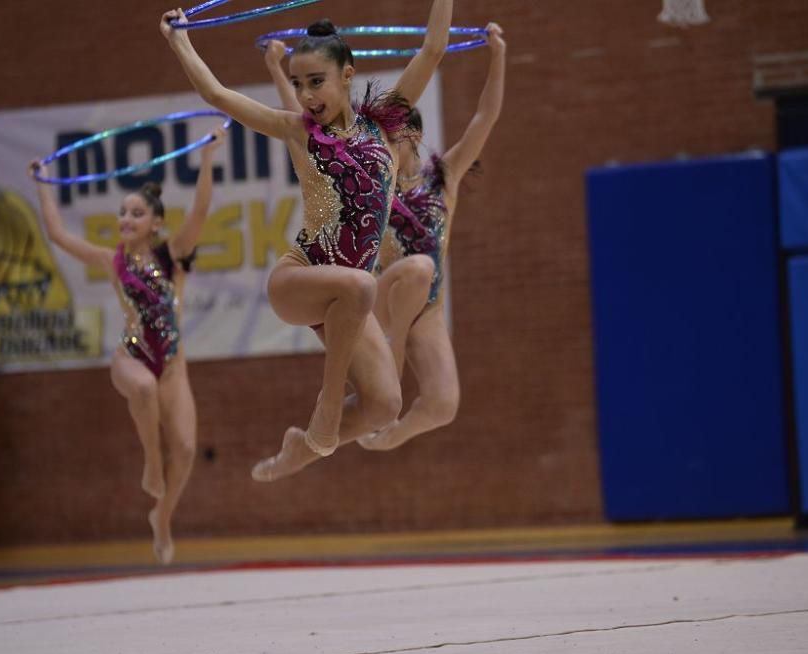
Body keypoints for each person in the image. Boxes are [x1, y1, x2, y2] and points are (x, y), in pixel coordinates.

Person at [159, 1, 453, 482]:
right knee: (362, 285)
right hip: (299, 280)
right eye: (297, 84)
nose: (305, 94)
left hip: (346, 301)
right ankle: (327, 408)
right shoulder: (297, 132)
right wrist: (180, 39)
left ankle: (300, 449)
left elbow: (434, 47)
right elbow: (216, 93)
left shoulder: (384, 126)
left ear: (346, 76)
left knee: (385, 405)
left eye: (316, 81)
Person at [30, 127, 225, 564]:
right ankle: (151, 462)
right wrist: (42, 183)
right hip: (131, 356)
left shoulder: (172, 255)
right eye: (122, 212)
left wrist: (209, 158)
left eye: (136, 213)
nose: (126, 219)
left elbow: (201, 208)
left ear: (155, 222)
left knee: (189, 451)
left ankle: (163, 517)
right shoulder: (110, 260)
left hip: (173, 364)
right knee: (142, 390)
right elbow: (59, 236)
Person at [360, 23, 506, 452]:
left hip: (427, 309)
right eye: (382, 135)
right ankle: (390, 358)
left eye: (394, 133)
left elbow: (485, 117)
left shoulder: (444, 179)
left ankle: (391, 435)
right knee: (419, 267)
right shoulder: (373, 182)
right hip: (385, 300)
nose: (387, 142)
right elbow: (309, 133)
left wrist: (496, 53)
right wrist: (277, 69)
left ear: (415, 135)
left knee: (444, 403)